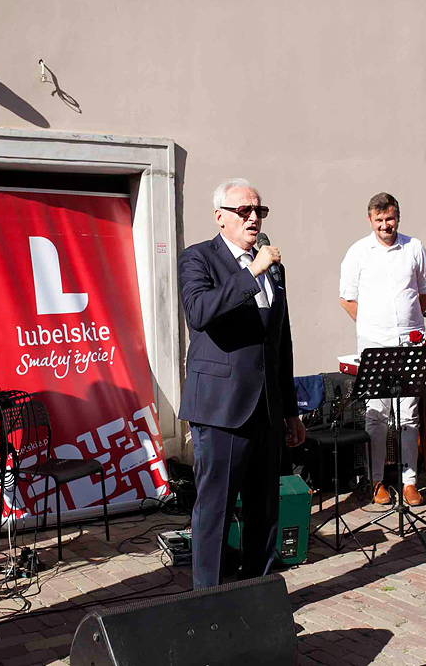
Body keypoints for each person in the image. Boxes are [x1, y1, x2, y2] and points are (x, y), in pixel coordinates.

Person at [178, 178, 305, 589]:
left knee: (264, 510)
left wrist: (290, 410)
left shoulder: (274, 267)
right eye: (244, 211)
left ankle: (257, 594)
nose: (253, 218)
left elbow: (280, 341)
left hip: (266, 409)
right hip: (221, 408)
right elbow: (199, 312)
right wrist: (252, 271)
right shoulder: (199, 258)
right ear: (220, 217)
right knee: (214, 509)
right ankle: (209, 600)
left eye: (259, 211)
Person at [339, 193, 426, 506]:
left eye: (390, 219)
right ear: (370, 221)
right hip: (374, 343)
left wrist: (408, 326)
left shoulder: (414, 247)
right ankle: (376, 480)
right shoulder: (357, 252)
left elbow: (425, 294)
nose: (385, 225)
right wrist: (371, 326)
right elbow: (347, 298)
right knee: (376, 413)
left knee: (408, 413)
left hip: (409, 341)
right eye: (379, 220)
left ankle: (409, 481)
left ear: (398, 217)